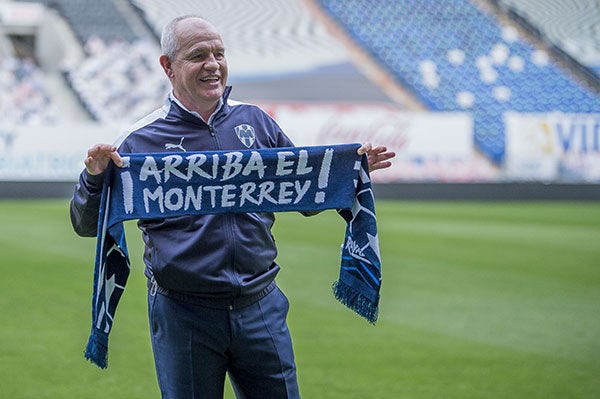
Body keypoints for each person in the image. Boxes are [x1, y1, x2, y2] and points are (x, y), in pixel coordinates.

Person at [70, 15, 395, 399]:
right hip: (183, 313)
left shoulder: (256, 121)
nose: (213, 64)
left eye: (219, 53)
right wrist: (94, 179)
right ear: (167, 67)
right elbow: (86, 224)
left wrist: (346, 171)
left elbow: (301, 191)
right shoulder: (139, 140)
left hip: (260, 306)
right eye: (198, 55)